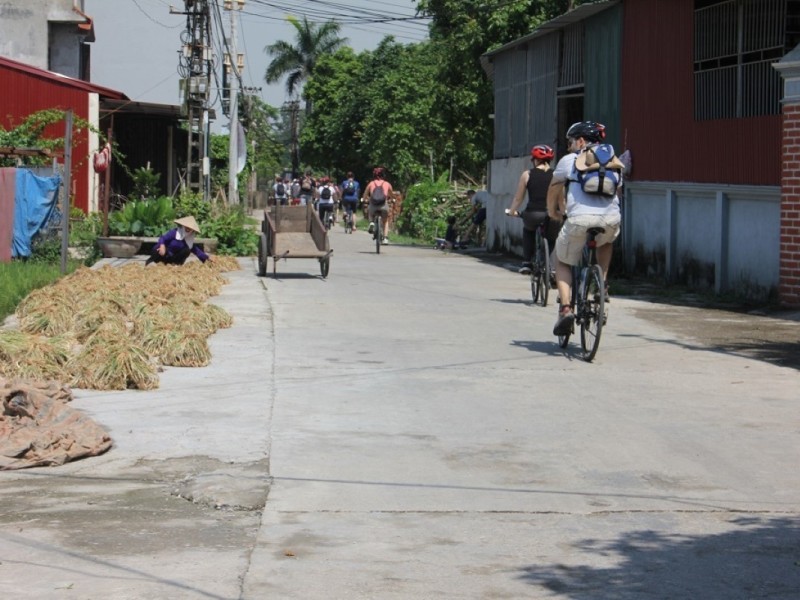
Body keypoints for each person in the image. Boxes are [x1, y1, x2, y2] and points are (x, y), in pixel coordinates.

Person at [549, 121, 621, 336]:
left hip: (579, 220)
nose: (569, 146)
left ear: (580, 141)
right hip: (610, 219)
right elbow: (618, 193)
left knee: (562, 259)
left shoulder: (569, 160)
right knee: (606, 240)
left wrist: (553, 211)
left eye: (571, 141)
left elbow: (554, 189)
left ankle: (566, 308)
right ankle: (602, 283)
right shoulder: (613, 161)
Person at [507, 145, 558, 275]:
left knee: (528, 231)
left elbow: (518, 198)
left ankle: (527, 263)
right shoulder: (556, 176)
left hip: (532, 214)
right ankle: (552, 268)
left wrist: (512, 211)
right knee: (552, 238)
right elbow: (561, 199)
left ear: (535, 160)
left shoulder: (527, 174)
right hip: (550, 214)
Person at [145, 216, 211, 266]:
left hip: (173, 259)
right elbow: (163, 238)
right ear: (183, 226)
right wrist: (162, 245)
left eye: (190, 228)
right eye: (187, 227)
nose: (188, 229)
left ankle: (175, 265)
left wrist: (207, 259)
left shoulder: (189, 240)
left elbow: (197, 251)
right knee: (157, 248)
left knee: (187, 250)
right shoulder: (175, 232)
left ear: (192, 230)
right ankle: (151, 262)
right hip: (163, 255)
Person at [363, 167, 394, 244]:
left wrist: (363, 200)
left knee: (370, 213)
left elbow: (365, 194)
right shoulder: (387, 184)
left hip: (373, 205)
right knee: (385, 221)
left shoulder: (371, 183)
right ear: (383, 175)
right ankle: (385, 239)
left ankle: (371, 223)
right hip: (383, 205)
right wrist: (393, 199)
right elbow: (391, 195)